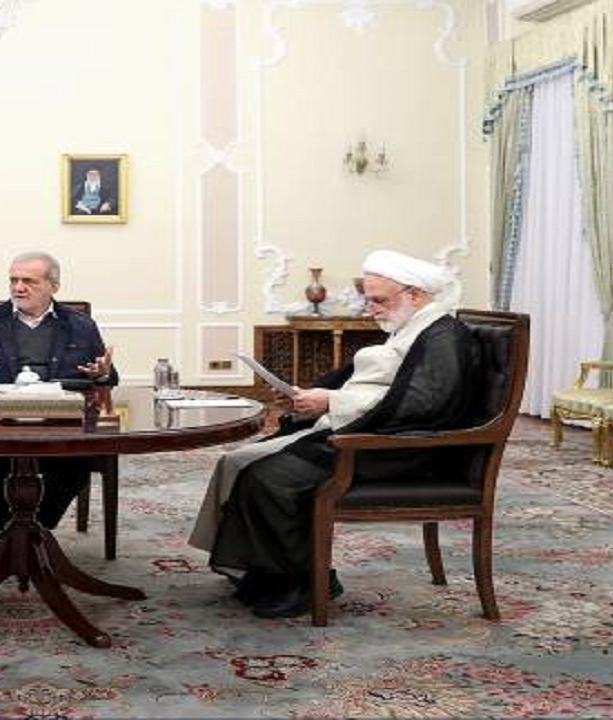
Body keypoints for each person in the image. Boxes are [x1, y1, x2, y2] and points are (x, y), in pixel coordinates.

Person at [189, 250, 481, 619]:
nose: (370, 310)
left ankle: (306, 583)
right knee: (238, 463)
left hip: (396, 447)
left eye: (379, 300)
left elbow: (423, 405)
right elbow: (368, 385)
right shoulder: (412, 326)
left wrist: (330, 402)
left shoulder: (443, 337)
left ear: (416, 294)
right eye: (368, 300)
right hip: (366, 429)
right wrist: (309, 398)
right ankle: (264, 574)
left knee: (267, 479)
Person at [0, 251, 117, 558]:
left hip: (60, 426)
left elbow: (107, 376)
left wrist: (101, 374)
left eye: (29, 281)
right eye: (14, 280)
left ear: (54, 286)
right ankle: (14, 536)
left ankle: (19, 536)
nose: (18, 287)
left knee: (78, 464)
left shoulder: (80, 325)